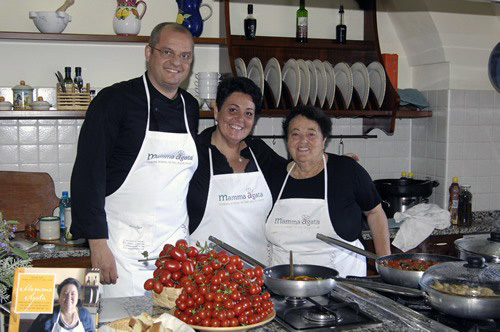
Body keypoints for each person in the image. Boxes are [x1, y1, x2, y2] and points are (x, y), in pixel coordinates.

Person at [70, 23, 199, 298]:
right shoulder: (114, 100)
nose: (176, 62)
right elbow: (87, 174)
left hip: (175, 256)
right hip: (120, 254)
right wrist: (97, 245)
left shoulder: (191, 107)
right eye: (167, 51)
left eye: (185, 56)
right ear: (148, 52)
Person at [266, 106, 390, 277]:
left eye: (311, 134)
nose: (303, 141)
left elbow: (375, 212)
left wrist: (386, 266)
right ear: (287, 140)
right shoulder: (274, 176)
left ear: (324, 139)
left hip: (343, 283)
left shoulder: (347, 170)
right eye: (295, 134)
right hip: (284, 285)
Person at [187, 77, 287, 264]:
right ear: (216, 111)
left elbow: (295, 174)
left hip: (258, 279)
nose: (240, 120)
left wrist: (331, 163)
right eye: (232, 110)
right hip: (208, 281)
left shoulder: (259, 151)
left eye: (249, 113)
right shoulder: (194, 153)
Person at [28, 278, 95, 332]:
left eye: (73, 294)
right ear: (59, 297)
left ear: (78, 297)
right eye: (65, 293)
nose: (68, 297)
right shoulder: (46, 315)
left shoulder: (85, 315)